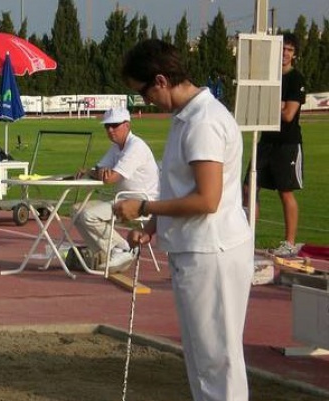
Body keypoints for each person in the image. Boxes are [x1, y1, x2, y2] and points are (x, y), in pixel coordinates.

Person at [114, 39, 254, 401]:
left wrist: (144, 208)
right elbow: (179, 185)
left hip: (212, 250)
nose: (144, 101)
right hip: (194, 248)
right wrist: (153, 226)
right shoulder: (185, 118)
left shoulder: (203, 123)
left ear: (160, 80)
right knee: (200, 355)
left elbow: (207, 199)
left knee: (217, 359)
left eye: (143, 92)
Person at [71, 107, 159, 272]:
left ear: (127, 125)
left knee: (88, 215)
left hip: (143, 202)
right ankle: (110, 251)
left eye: (114, 125)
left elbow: (109, 178)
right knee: (77, 211)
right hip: (123, 198)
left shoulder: (136, 147)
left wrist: (94, 172)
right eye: (107, 126)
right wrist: (94, 172)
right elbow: (99, 169)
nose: (110, 130)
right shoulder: (116, 147)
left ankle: (123, 249)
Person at [244, 32, 306, 257]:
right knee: (249, 189)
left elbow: (289, 114)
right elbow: (254, 102)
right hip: (265, 142)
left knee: (285, 192)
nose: (285, 54)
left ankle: (289, 243)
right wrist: (275, 103)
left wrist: (271, 103)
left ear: (294, 54)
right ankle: (247, 237)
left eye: (289, 50)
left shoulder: (295, 79)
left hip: (287, 143)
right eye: (283, 49)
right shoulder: (268, 77)